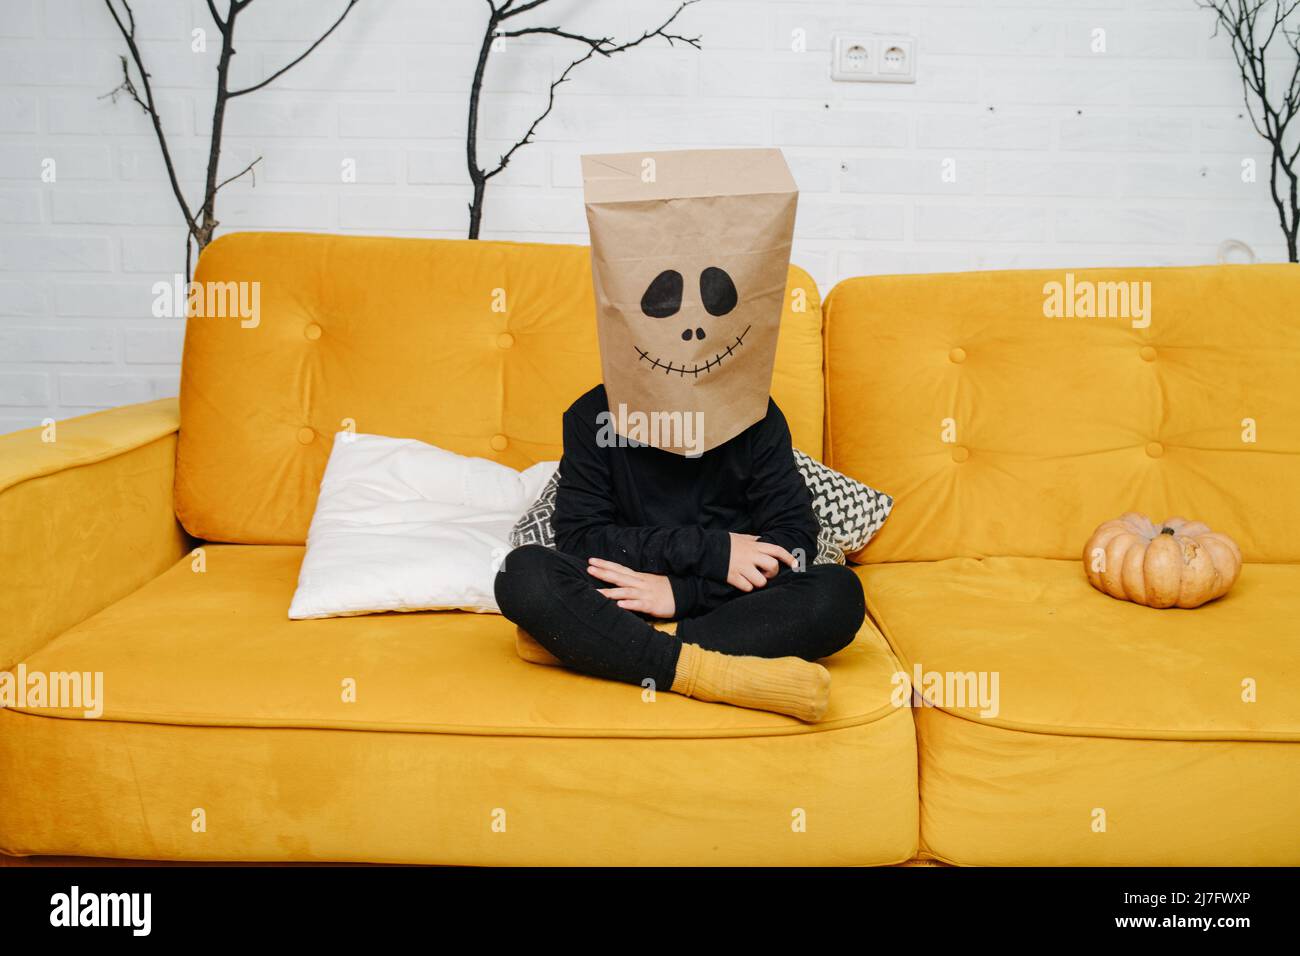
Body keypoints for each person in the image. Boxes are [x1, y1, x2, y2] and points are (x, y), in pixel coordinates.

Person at [495, 146, 864, 722]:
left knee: (837, 598)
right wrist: (714, 553)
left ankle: (610, 648)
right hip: (638, 593)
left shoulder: (757, 416)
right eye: (663, 304)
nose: (692, 324)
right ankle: (710, 673)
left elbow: (793, 541)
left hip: (717, 602)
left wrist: (681, 597)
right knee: (525, 579)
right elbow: (582, 542)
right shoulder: (593, 417)